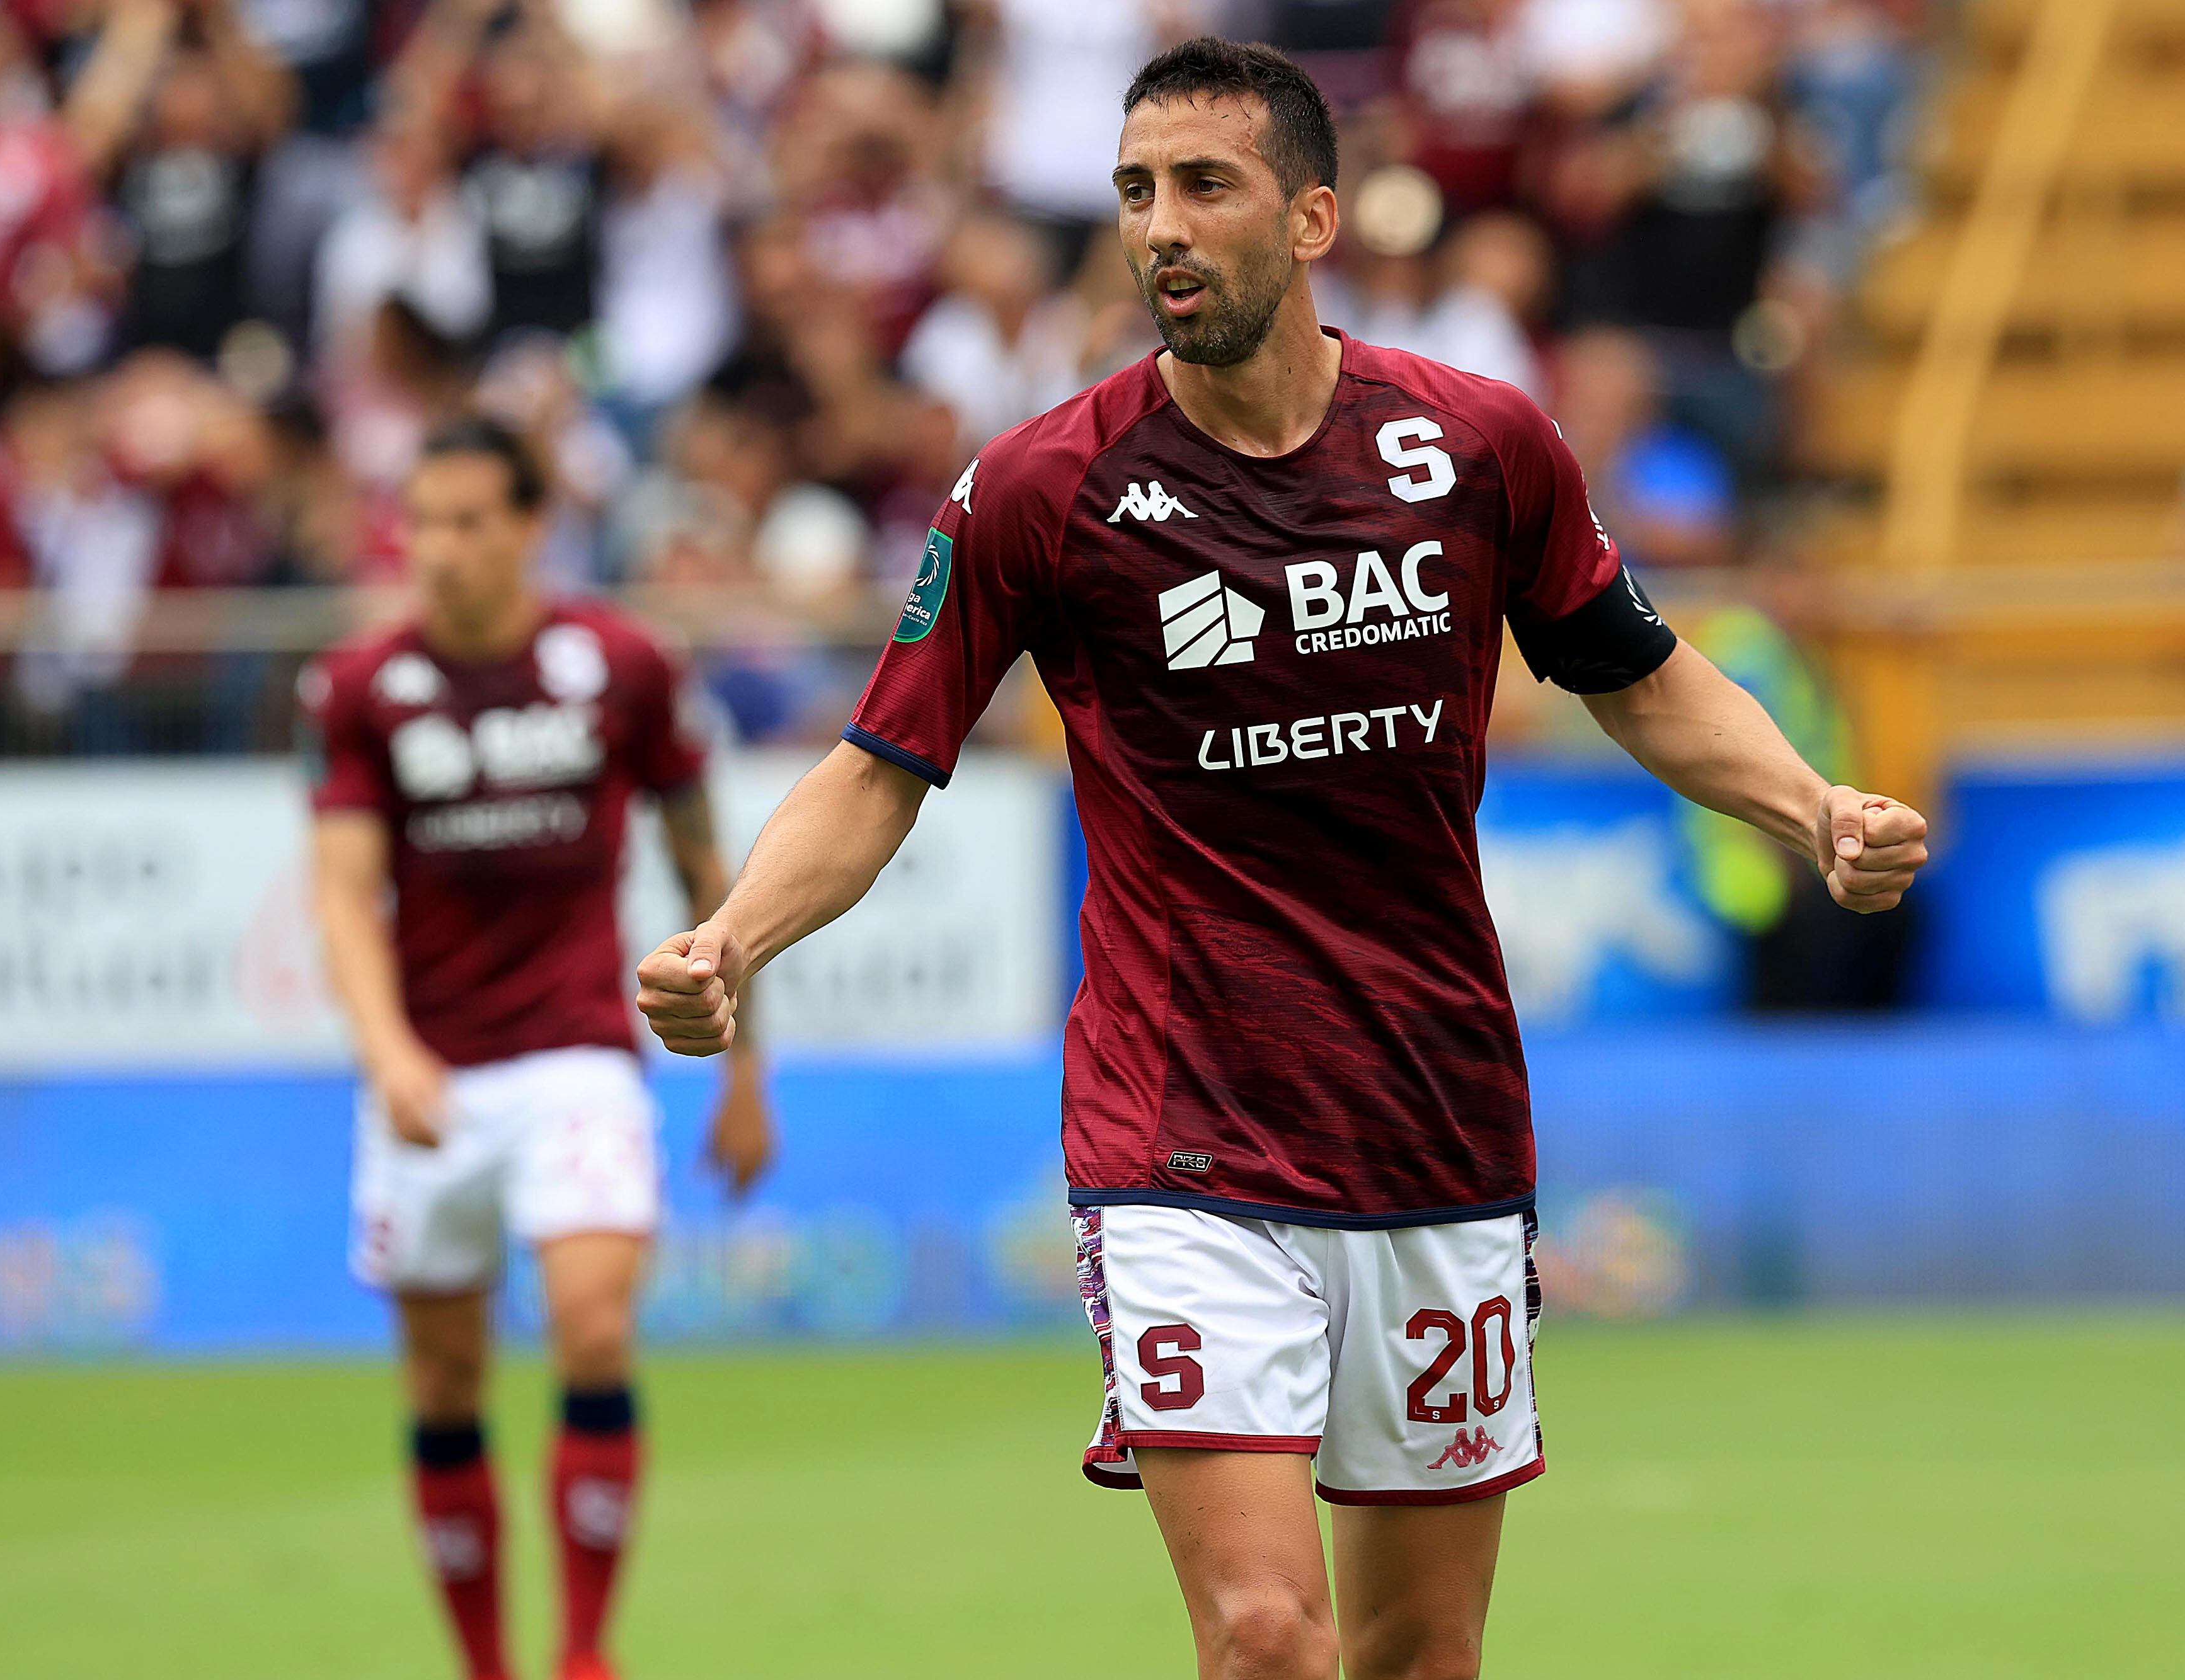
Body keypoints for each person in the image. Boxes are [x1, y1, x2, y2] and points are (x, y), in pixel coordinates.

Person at [636, 39, 1926, 1680]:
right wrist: (738, 933)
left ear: (1313, 215)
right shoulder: (1043, 488)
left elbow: (1643, 676)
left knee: (1419, 1656)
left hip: (1433, 1120)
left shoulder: (1477, 447)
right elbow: (882, 764)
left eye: (1203, 186)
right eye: (1133, 192)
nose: (1160, 227)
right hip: (1181, 1134)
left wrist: (1809, 803)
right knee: (1262, 1636)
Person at [302, 416, 772, 1680]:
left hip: (576, 1049)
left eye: (467, 521)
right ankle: (486, 1662)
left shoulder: (617, 665)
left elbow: (703, 874)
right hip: (431, 1071)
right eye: (422, 521)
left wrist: (743, 1073)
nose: (438, 548)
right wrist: (387, 1051)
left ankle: (580, 1650)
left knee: (594, 1327)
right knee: (447, 1379)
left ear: (527, 526)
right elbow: (343, 895)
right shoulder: (359, 688)